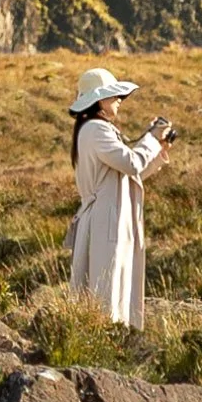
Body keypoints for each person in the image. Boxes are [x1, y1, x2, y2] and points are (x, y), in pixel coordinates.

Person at [66, 64, 175, 330]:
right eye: (114, 96)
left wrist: (157, 146)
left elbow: (130, 174)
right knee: (107, 283)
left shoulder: (94, 130)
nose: (119, 101)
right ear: (98, 100)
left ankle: (109, 335)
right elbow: (132, 164)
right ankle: (105, 336)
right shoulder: (96, 130)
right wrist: (150, 138)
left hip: (109, 216)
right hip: (106, 219)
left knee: (111, 280)